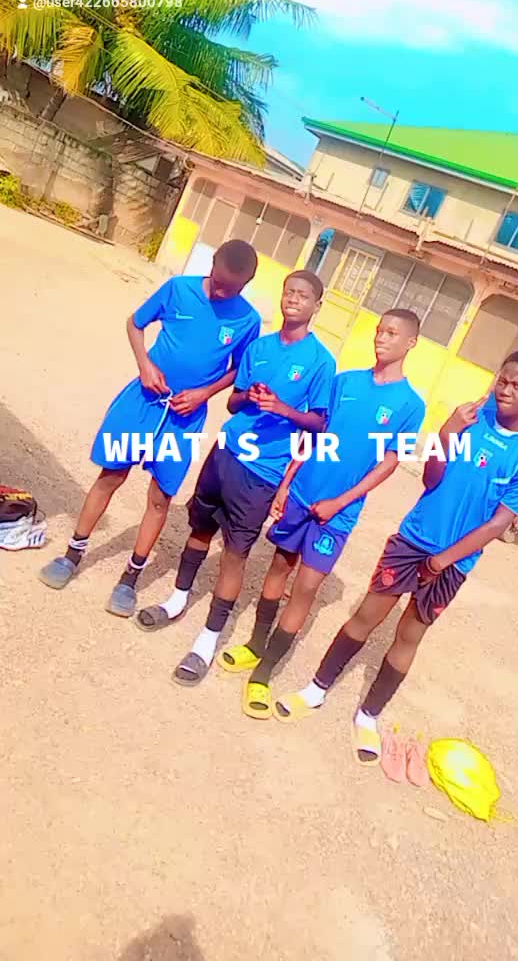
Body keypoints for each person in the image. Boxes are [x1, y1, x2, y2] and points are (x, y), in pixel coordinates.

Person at [274, 349, 518, 774]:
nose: (506, 390)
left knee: (409, 635)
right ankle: (316, 688)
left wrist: (442, 562)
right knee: (366, 616)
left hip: (454, 563)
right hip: (412, 540)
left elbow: (499, 524)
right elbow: (431, 477)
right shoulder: (472, 419)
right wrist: (449, 431)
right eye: (503, 380)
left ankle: (368, 716)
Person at [220, 309, 426, 719]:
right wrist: (286, 482)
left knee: (307, 587)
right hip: (300, 493)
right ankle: (256, 644)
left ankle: (264, 672)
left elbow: (388, 464)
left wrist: (340, 501)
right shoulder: (345, 382)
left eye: (391, 333)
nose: (381, 338)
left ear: (411, 343)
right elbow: (315, 435)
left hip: (338, 513)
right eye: (379, 331)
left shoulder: (411, 405)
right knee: (279, 567)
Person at [39, 240, 260, 617]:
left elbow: (240, 369)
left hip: (184, 418)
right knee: (111, 475)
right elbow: (135, 323)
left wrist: (204, 393)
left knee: (160, 497)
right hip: (143, 402)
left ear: (246, 283)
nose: (222, 292)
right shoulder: (178, 289)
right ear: (213, 265)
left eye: (233, 288)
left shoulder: (248, 320)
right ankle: (71, 555)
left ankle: (129, 579)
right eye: (220, 282)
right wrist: (144, 364)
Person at [143, 271, 335, 682]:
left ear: (317, 306)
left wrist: (283, 409)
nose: (293, 300)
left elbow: (320, 422)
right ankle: (176, 599)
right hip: (226, 451)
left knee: (235, 552)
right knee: (200, 528)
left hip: (262, 471)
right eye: (289, 292)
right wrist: (250, 395)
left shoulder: (322, 361)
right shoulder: (260, 347)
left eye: (303, 296)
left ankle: (207, 641)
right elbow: (232, 403)